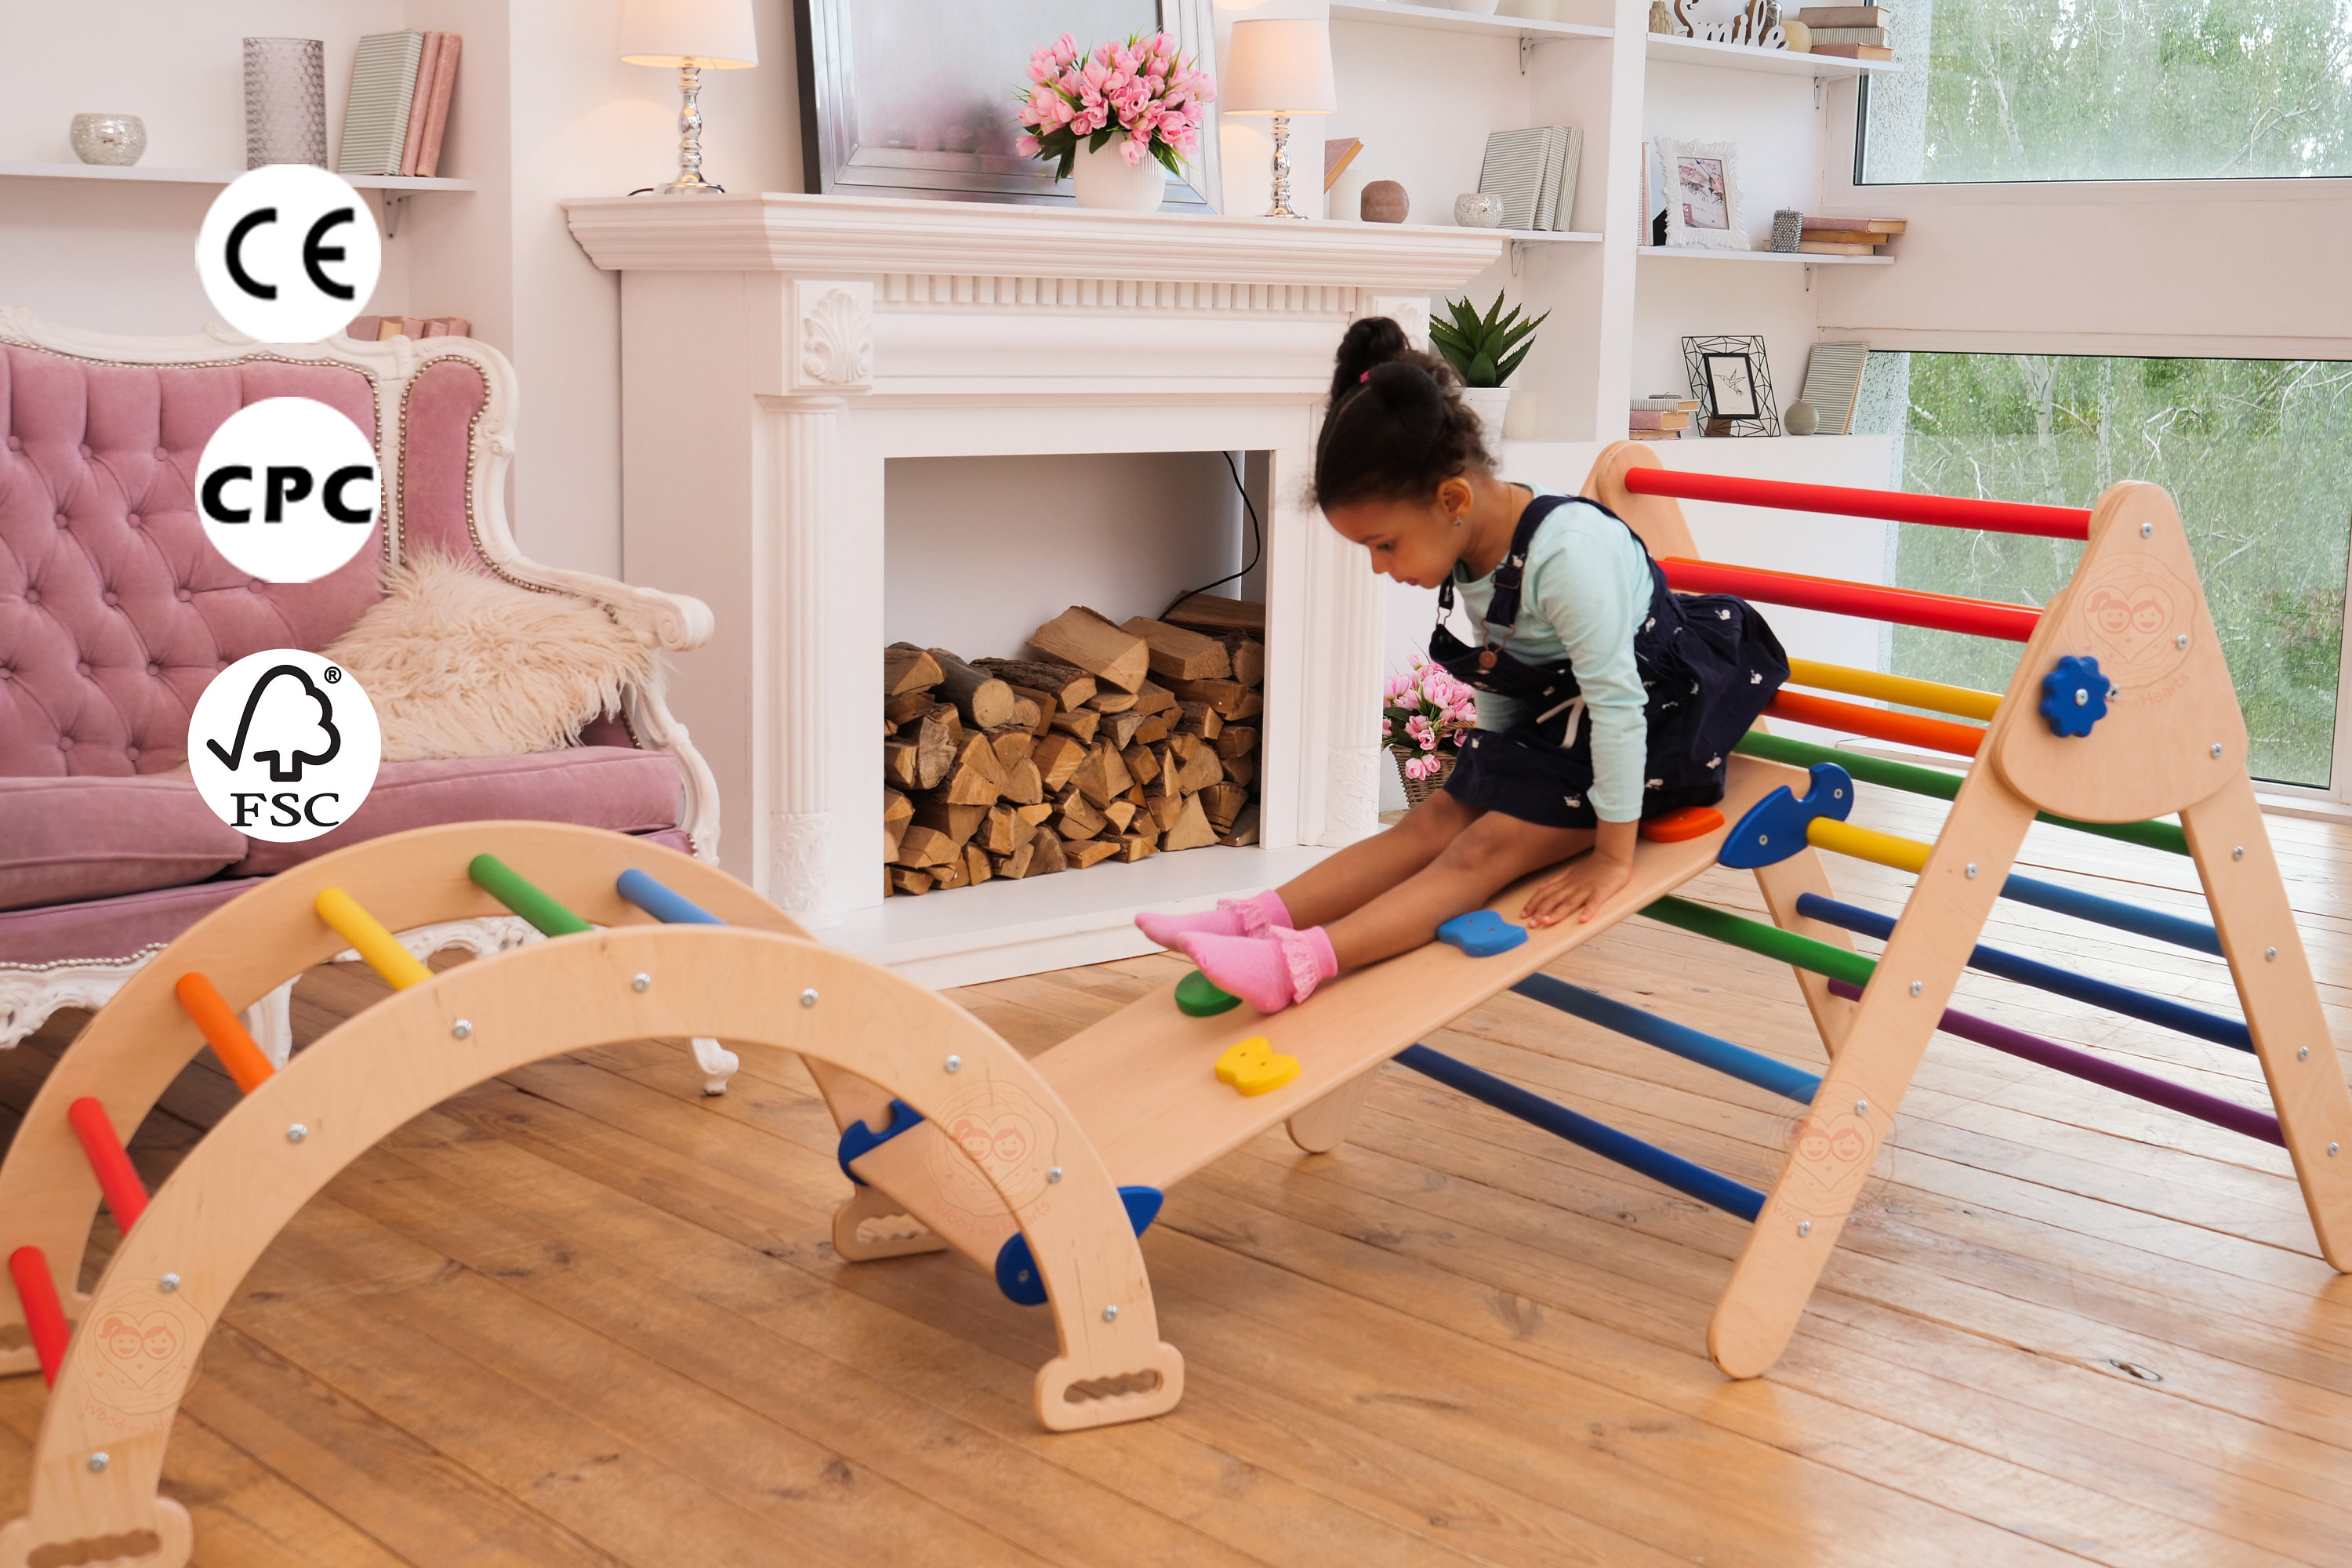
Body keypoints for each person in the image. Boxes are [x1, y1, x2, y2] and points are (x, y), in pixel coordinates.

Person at [1134, 316, 1789, 1014]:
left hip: (1653, 724)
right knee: (1430, 820)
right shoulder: (1476, 548)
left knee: (1481, 850)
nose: (1381, 568)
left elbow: (1620, 707)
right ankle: (1250, 920)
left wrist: (1611, 857)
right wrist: (1493, 762)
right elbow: (1505, 672)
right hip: (1564, 721)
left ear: (1452, 501)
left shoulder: (1568, 560)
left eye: (1385, 545)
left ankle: (1295, 967)